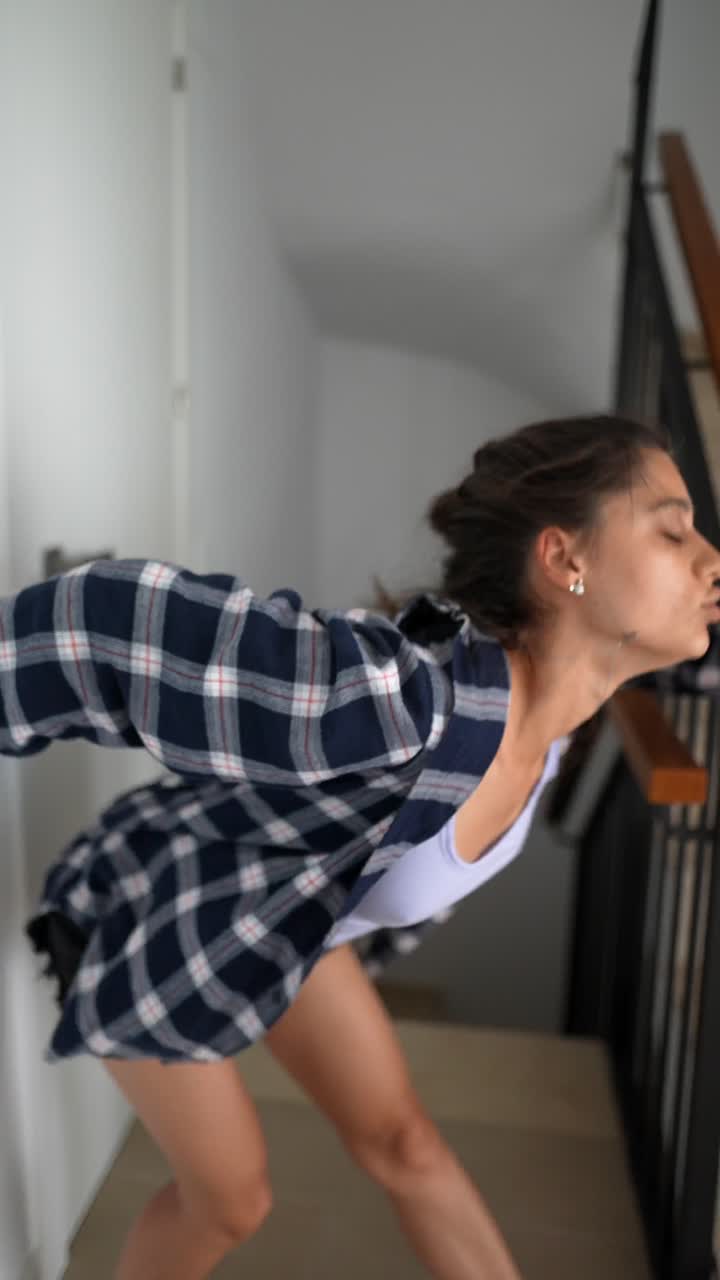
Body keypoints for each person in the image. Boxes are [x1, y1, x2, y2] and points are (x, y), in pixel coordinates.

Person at [5, 413, 720, 1280]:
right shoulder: (406, 704)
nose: (710, 558)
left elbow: (694, 645)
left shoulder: (568, 698)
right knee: (233, 1201)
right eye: (674, 530)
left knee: (405, 1145)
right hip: (161, 909)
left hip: (300, 920)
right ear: (566, 560)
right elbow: (116, 624)